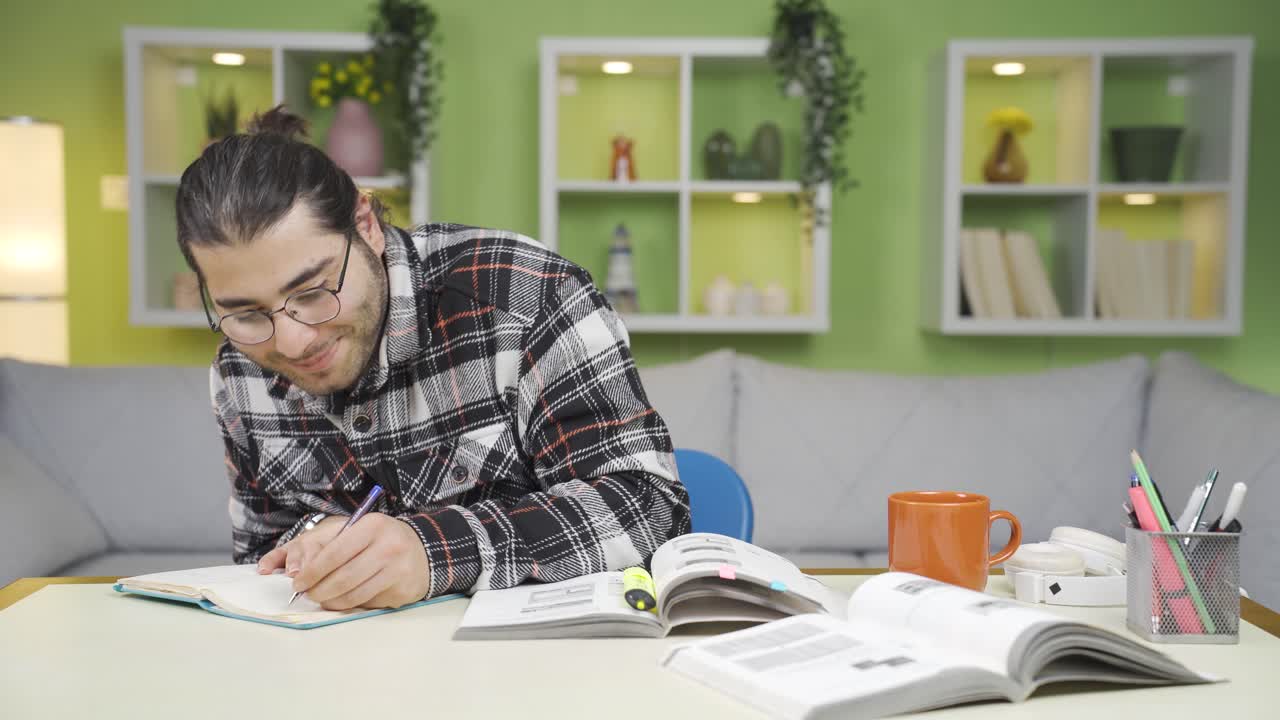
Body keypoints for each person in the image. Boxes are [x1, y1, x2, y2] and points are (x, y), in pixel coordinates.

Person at [175, 105, 689, 611]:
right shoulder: (240, 368)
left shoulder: (527, 297)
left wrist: (434, 551)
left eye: (312, 292)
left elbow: (647, 509)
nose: (290, 342)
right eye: (245, 314)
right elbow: (254, 568)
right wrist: (312, 542)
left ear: (365, 223)